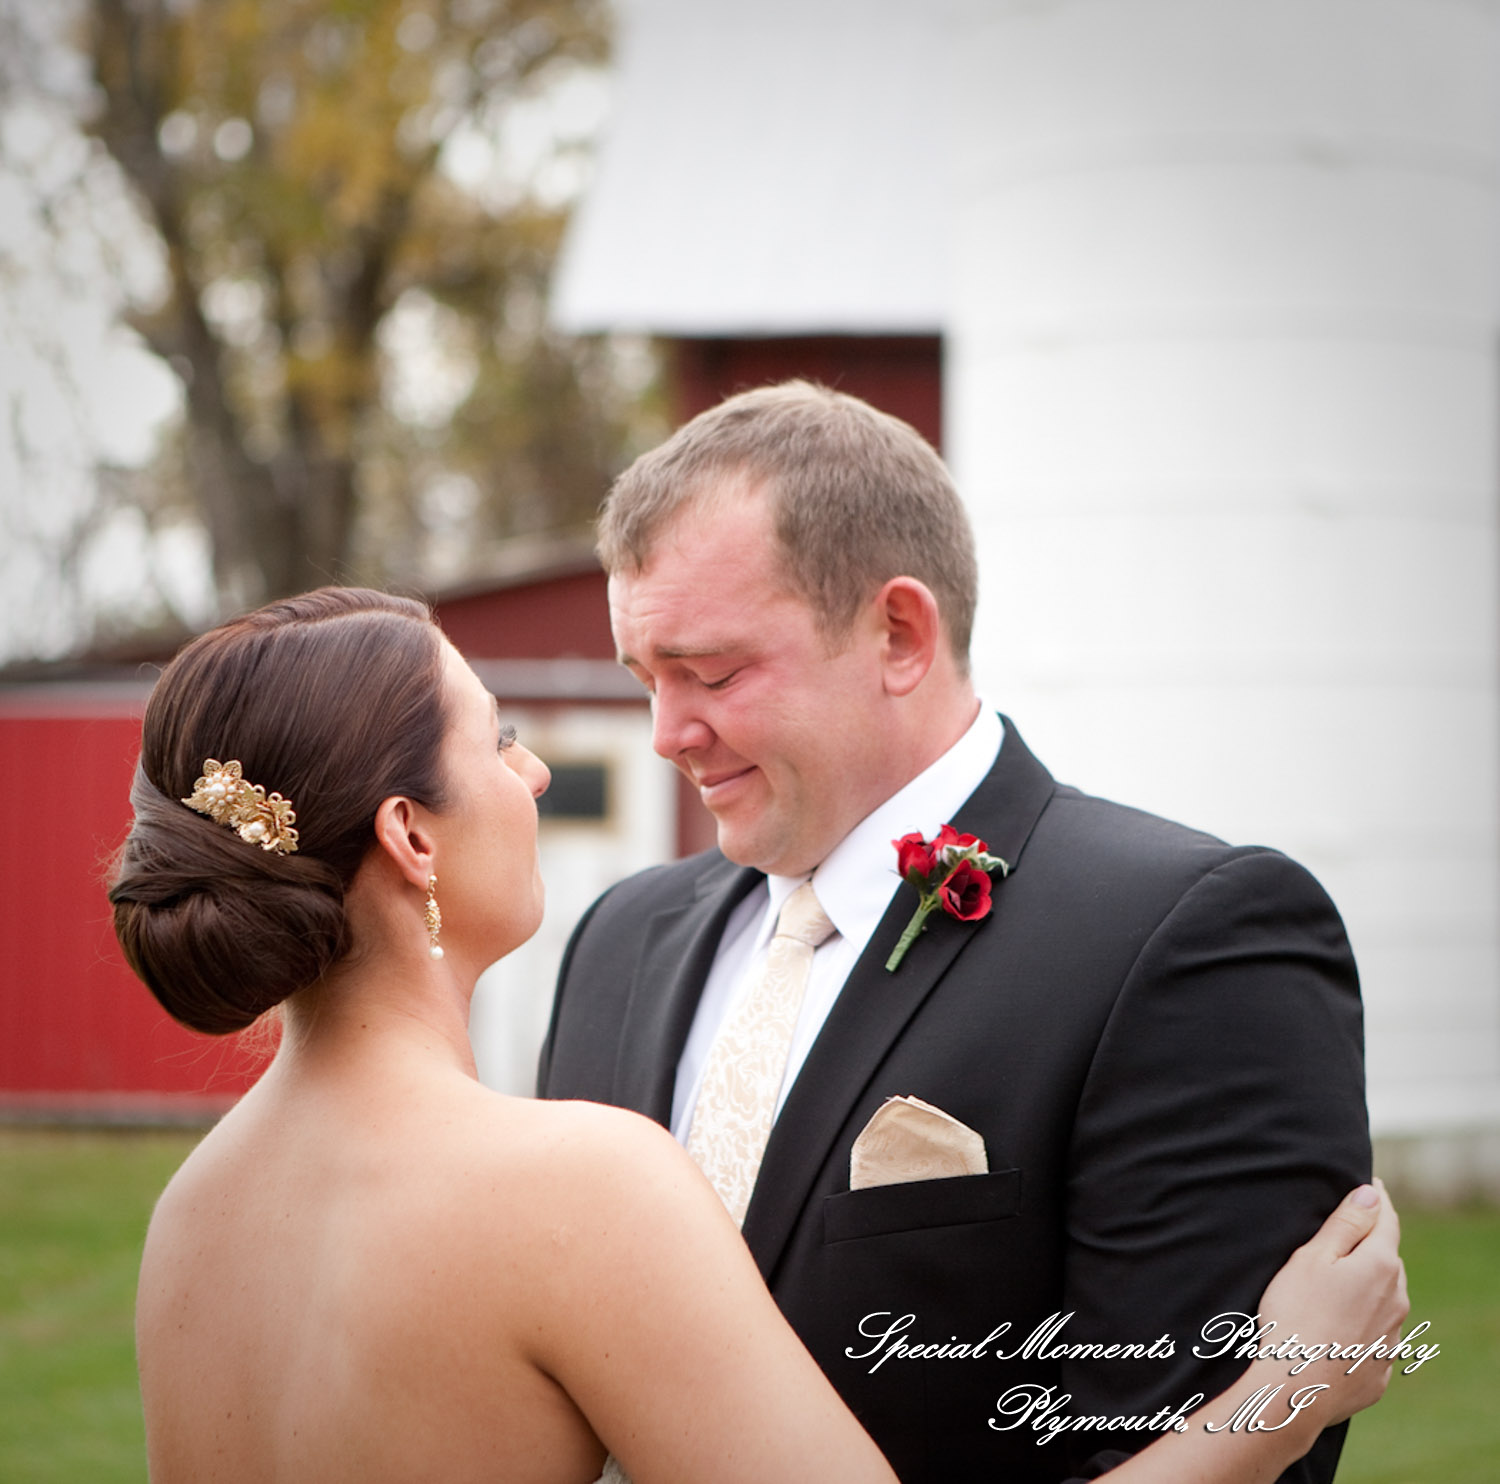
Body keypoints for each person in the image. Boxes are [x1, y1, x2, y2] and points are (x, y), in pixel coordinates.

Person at [109, 586, 1404, 1484]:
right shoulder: (578, 1188)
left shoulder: (194, 1220)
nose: (535, 771)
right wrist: (1280, 1394)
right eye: (496, 739)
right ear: (411, 836)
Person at [538, 382, 1379, 1482]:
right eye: (646, 679)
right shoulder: (619, 941)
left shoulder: (1189, 938)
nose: (666, 734)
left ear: (898, 632)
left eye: (712, 672)